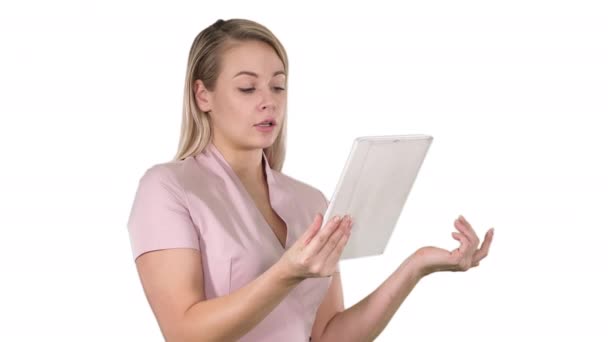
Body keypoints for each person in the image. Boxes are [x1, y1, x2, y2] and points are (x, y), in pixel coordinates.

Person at [126, 18, 495, 342]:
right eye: (247, 88)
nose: (268, 102)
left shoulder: (308, 202)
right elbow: (184, 332)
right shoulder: (168, 189)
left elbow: (328, 336)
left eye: (278, 86)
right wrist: (287, 273)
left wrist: (416, 266)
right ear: (202, 94)